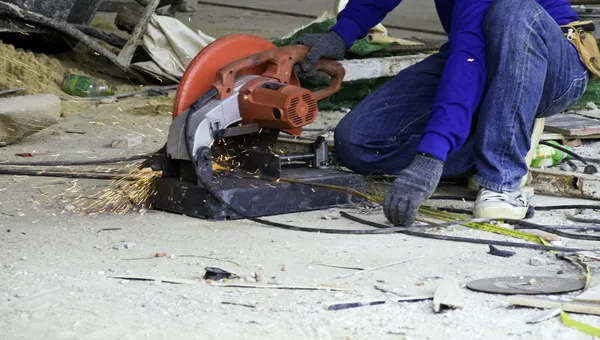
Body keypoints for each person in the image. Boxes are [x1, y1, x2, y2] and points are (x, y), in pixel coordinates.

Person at [295, 0, 591, 226]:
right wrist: (342, 35)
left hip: (551, 63)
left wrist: (431, 155)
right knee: (358, 142)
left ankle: (502, 177)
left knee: (513, 12)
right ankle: (494, 136)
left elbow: (469, 59)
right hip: (473, 46)